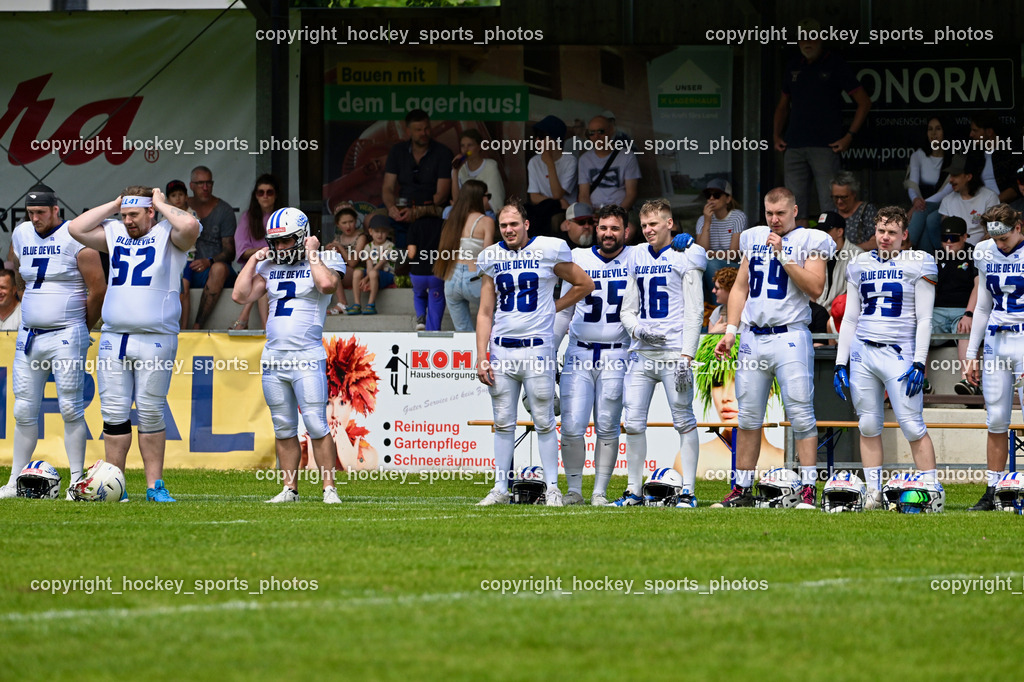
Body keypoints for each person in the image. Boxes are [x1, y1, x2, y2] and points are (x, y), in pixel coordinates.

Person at [67, 185, 201, 502]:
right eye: (124, 214)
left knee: (151, 411)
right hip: (115, 336)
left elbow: (190, 227)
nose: (127, 220)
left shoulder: (170, 233)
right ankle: (117, 485)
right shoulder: (114, 231)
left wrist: (160, 203)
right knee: (114, 414)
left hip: (155, 336)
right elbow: (76, 228)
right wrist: (115, 203)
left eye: (134, 214)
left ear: (150, 212)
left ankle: (155, 485)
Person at [713, 187, 836, 508]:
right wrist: (730, 330)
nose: (774, 220)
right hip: (753, 336)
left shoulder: (811, 239)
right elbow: (740, 287)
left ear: (795, 210)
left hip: (790, 336)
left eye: (780, 213)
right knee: (748, 416)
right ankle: (742, 488)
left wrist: (783, 255)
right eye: (769, 214)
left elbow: (816, 287)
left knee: (801, 413)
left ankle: (808, 487)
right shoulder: (754, 237)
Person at [474, 199, 594, 506]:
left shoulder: (549, 249)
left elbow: (584, 283)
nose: (509, 230)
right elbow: (485, 311)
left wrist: (554, 307)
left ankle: (553, 487)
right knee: (502, 422)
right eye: (503, 225)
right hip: (502, 350)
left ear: (527, 225)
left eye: (514, 224)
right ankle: (501, 487)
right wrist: (481, 354)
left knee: (544, 420)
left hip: (536, 349)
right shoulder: (491, 256)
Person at [233, 207, 345, 504]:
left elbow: (326, 284)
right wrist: (255, 259)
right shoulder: (269, 266)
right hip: (273, 357)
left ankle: (329, 488)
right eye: (275, 241)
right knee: (283, 426)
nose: (280, 247)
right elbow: (240, 296)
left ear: (303, 237)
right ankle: (289, 489)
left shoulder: (325, 259)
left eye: (286, 240)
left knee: (316, 424)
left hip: (307, 355)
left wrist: (311, 253)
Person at [0, 185, 106, 500]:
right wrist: (29, 299)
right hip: (31, 334)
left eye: (41, 213)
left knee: (71, 408)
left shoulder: (76, 235)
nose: (35, 219)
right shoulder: (21, 234)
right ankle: (15, 480)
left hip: (66, 333)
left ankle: (76, 480)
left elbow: (97, 288)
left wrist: (80, 327)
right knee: (23, 409)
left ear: (55, 210)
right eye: (31, 213)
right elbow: (16, 270)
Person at [834, 206, 940, 508]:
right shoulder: (858, 264)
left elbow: (925, 319)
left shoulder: (919, 262)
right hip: (864, 351)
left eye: (892, 232)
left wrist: (920, 361)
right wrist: (842, 361)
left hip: (900, 352)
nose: (885, 237)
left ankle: (930, 490)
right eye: (881, 231)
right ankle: (874, 492)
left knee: (912, 425)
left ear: (904, 235)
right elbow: (850, 319)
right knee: (868, 424)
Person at [611, 198, 707, 507]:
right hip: (642, 353)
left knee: (684, 420)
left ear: (670, 223)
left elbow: (695, 312)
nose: (649, 230)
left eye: (655, 223)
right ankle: (633, 491)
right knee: (634, 423)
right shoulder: (636, 254)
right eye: (644, 225)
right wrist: (639, 330)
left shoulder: (688, 253)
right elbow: (627, 309)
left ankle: (689, 491)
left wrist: (687, 356)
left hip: (673, 354)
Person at [553, 203, 633, 506]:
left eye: (615, 228)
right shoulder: (577, 258)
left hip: (617, 353)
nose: (608, 234)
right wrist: (550, 348)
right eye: (603, 227)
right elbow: (565, 310)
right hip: (579, 352)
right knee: (572, 425)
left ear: (625, 230)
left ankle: (600, 490)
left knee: (608, 424)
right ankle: (574, 489)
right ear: (595, 229)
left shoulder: (635, 256)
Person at [773, 18, 871, 223]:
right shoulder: (792, 67)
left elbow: (864, 102)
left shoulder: (835, 64)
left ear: (821, 39)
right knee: (793, 208)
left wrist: (849, 137)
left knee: (830, 206)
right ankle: (797, 254)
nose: (807, 42)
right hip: (795, 145)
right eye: (802, 38)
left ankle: (830, 253)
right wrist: (776, 135)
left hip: (826, 147)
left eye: (813, 37)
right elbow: (782, 106)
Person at [963, 204, 1024, 511]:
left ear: (1019, 227)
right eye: (995, 238)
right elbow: (984, 306)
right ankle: (994, 489)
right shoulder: (985, 251)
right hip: (997, 339)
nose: (1000, 245)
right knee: (996, 419)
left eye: (1005, 238)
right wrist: (971, 352)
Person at [693, 334, 784, 470]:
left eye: (739, 383)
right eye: (718, 383)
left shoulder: (783, 462)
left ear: (769, 389)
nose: (726, 397)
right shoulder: (695, 460)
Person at [382, 109, 453, 249]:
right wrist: (391, 208)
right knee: (372, 219)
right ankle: (390, 263)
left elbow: (441, 196)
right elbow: (387, 187)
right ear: (408, 131)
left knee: (425, 223)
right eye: (418, 130)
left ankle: (411, 261)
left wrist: (417, 212)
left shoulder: (443, 153)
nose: (424, 133)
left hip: (431, 207)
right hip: (403, 205)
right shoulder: (397, 151)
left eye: (426, 128)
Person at [434, 179, 495, 332]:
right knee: (496, 316)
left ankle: (472, 354)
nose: (489, 199)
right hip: (474, 277)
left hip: (451, 278)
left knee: (463, 331)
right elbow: (488, 256)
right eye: (488, 195)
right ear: (479, 197)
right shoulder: (486, 221)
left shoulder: (452, 220)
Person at [929, 217, 979, 396]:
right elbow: (927, 288)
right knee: (919, 327)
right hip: (938, 311)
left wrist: (969, 313)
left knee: (965, 330)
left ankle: (970, 383)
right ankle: (922, 383)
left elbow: (979, 285)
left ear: (965, 237)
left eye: (954, 238)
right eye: (945, 238)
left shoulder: (975, 253)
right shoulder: (935, 256)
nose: (948, 243)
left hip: (964, 309)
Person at [183, 166, 237, 329]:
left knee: (219, 268)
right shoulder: (181, 207)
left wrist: (210, 261)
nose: (205, 188)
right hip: (187, 267)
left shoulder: (224, 210)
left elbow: (230, 251)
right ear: (191, 186)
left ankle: (198, 325)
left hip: (212, 270)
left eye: (208, 183)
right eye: (200, 183)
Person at [230, 174, 282, 330]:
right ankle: (266, 328)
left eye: (269, 192)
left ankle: (243, 319)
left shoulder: (284, 216)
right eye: (261, 192)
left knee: (264, 275)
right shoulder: (248, 217)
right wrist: (264, 252)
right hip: (254, 268)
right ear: (256, 196)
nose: (265, 196)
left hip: (280, 266)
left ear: (276, 194)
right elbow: (241, 251)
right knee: (262, 274)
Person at [906, 117, 953, 254]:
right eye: (930, 129)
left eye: (938, 129)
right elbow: (912, 184)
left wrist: (918, 206)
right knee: (926, 217)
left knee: (922, 213)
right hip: (923, 205)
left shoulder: (952, 156)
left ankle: (905, 247)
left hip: (945, 204)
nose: (934, 133)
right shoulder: (918, 155)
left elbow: (946, 192)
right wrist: (915, 200)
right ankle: (928, 263)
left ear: (945, 132)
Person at [695, 178, 747, 299]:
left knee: (710, 264)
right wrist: (707, 221)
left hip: (734, 266)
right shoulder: (702, 220)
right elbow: (700, 251)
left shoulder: (738, 217)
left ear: (728, 199)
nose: (711, 199)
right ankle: (702, 309)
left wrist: (709, 254)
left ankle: (717, 309)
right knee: (695, 268)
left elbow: (734, 255)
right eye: (708, 195)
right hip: (710, 264)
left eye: (716, 195)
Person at [526, 115, 577, 235]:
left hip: (564, 211)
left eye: (542, 136)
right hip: (544, 208)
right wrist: (556, 202)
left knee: (555, 220)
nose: (537, 140)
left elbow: (557, 193)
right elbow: (534, 197)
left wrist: (550, 163)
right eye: (536, 136)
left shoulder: (570, 161)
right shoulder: (534, 161)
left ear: (555, 139)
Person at [577, 115, 640, 210]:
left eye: (601, 131)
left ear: (611, 131)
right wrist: (590, 215)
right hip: (594, 213)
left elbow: (631, 194)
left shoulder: (627, 156)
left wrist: (616, 215)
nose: (596, 136)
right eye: (591, 133)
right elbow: (583, 195)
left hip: (620, 211)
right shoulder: (584, 159)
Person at [938, 153, 999, 245]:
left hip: (983, 250)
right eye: (950, 175)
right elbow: (946, 233)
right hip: (957, 251)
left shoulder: (989, 197)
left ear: (968, 176)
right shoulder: (947, 201)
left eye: (955, 175)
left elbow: (993, 231)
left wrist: (978, 250)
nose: (950, 180)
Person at [815, 210, 863, 310]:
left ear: (839, 232)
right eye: (820, 231)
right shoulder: (815, 253)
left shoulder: (857, 256)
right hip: (816, 314)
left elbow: (856, 296)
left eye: (826, 231)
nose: (821, 235)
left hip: (841, 315)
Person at [350, 214, 397, 318]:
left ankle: (371, 304)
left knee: (372, 273)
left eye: (383, 231)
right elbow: (369, 264)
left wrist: (366, 278)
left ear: (388, 232)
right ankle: (357, 304)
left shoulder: (390, 246)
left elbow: (381, 264)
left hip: (386, 275)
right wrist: (367, 277)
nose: (380, 234)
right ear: (370, 231)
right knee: (357, 272)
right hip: (373, 273)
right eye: (376, 231)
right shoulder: (368, 246)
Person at [450, 129, 504, 216]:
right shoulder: (460, 169)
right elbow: (456, 200)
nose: (466, 149)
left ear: (479, 147)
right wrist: (455, 172)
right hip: (463, 211)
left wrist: (464, 207)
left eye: (470, 145)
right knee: (447, 211)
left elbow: (493, 201)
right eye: (463, 146)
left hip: (484, 212)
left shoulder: (490, 166)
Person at [407, 212, 446, 331]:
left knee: (419, 295)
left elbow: (411, 253)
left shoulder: (414, 225)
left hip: (418, 274)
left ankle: (420, 319)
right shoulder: (443, 224)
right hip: (437, 273)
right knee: (436, 299)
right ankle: (433, 331)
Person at [326, 206, 369, 316]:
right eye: (344, 223)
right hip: (344, 273)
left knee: (334, 272)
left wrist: (340, 248)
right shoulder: (338, 238)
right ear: (338, 225)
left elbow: (353, 262)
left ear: (356, 221)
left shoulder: (361, 237)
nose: (348, 226)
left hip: (357, 273)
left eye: (351, 221)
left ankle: (342, 302)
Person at [830, 172, 877, 251]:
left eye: (844, 197)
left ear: (854, 193)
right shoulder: (833, 214)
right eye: (835, 197)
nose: (839, 201)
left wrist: (848, 250)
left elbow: (875, 242)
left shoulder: (867, 211)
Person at [708, 267, 737, 334]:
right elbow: (707, 344)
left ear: (730, 289)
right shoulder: (718, 312)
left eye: (717, 288)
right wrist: (713, 332)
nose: (713, 291)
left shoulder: (748, 313)